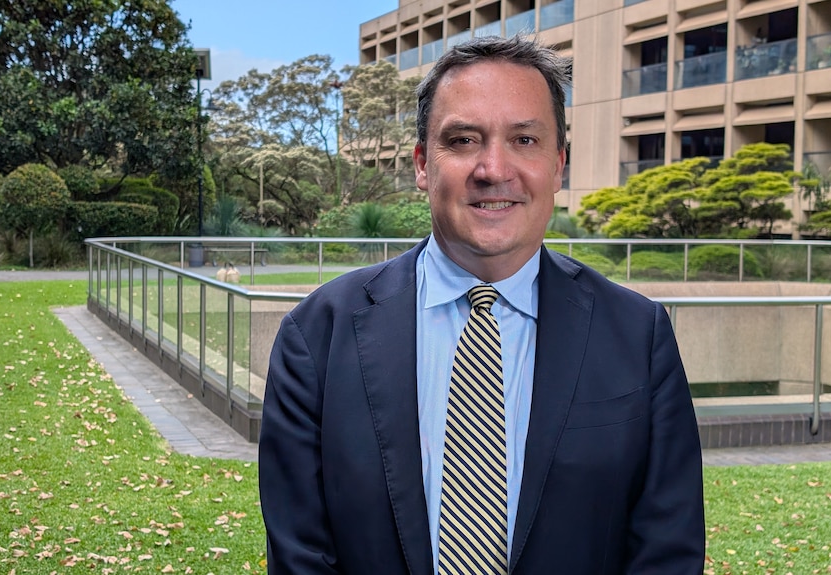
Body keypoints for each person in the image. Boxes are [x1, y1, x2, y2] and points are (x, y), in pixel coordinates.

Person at [259, 35, 704, 574]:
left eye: (524, 139)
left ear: (558, 164)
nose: (494, 168)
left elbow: (667, 553)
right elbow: (301, 556)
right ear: (423, 164)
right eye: (465, 139)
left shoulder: (638, 336)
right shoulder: (317, 337)